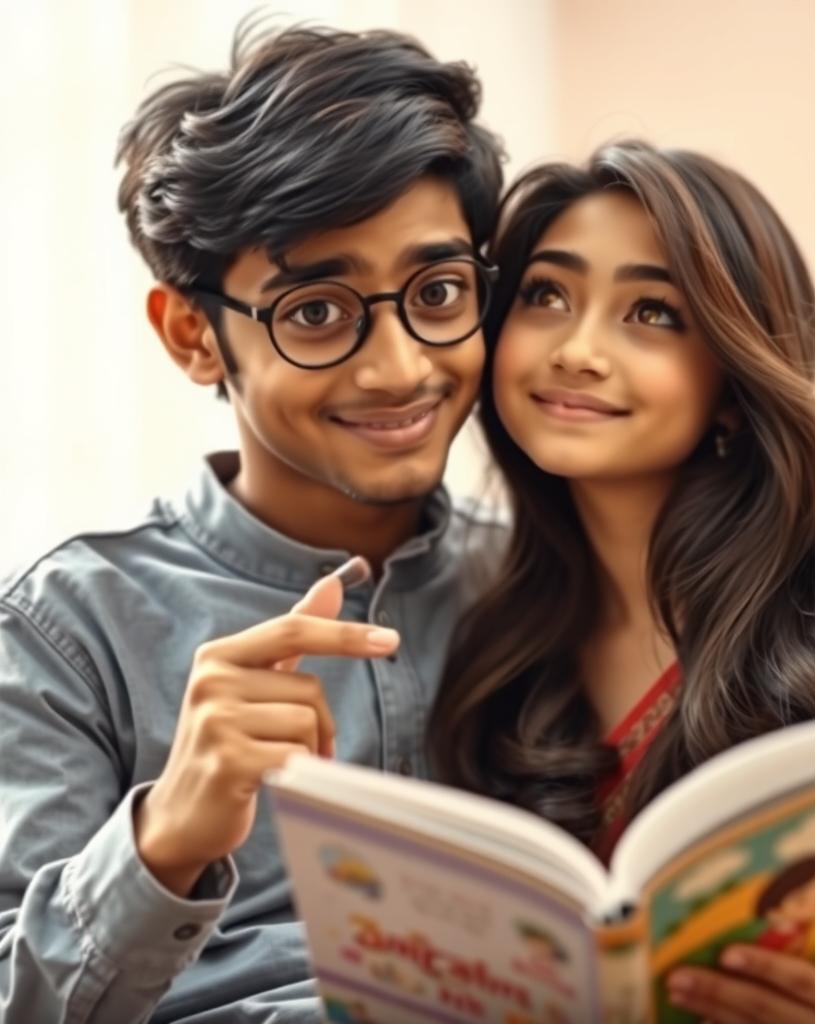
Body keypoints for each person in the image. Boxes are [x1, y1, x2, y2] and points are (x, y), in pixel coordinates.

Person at [431, 141, 815, 1023]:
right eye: (546, 295)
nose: (579, 351)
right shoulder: (497, 642)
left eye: (653, 313)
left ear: (735, 385)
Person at [0, 22, 504, 1023]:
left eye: (439, 293)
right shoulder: (66, 628)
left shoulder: (546, 580)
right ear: (192, 333)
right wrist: (166, 837)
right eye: (317, 311)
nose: (401, 366)